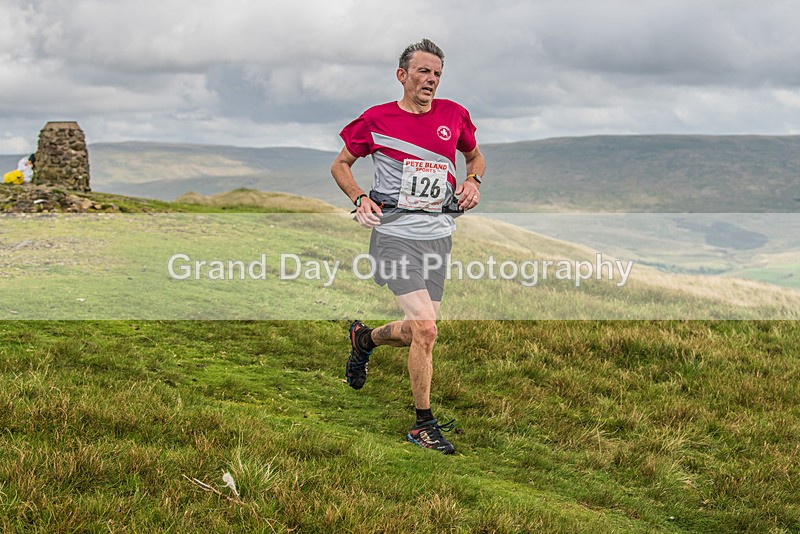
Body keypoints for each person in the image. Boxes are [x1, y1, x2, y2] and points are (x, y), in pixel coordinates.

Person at [331, 38, 486, 454]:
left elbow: (475, 158)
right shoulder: (377, 119)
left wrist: (473, 181)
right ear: (402, 75)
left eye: (436, 73)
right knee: (427, 329)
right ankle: (422, 425)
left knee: (418, 333)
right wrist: (360, 198)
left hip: (438, 237)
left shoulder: (454, 115)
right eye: (422, 71)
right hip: (394, 236)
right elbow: (340, 164)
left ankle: (364, 339)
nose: (430, 80)